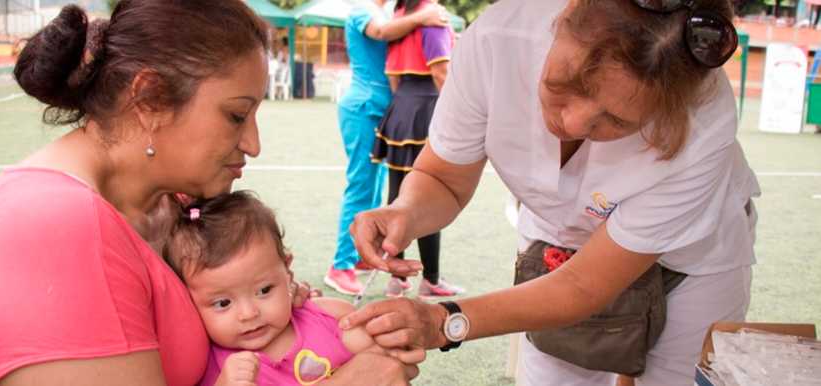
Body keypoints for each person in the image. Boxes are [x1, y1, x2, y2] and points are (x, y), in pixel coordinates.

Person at [0, 1, 419, 385]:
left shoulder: (170, 203)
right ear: (150, 98)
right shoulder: (60, 231)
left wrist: (271, 298)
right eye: (237, 115)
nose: (253, 143)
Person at [342, 0, 760, 385]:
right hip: (557, 250)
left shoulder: (704, 121)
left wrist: (443, 320)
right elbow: (444, 180)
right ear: (564, 19)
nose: (574, 123)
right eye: (568, 83)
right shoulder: (495, 43)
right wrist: (406, 211)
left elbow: (583, 286)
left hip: (691, 266)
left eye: (617, 119)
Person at [163, 191, 391, 385]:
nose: (249, 313)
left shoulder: (329, 319)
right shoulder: (205, 366)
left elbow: (388, 365)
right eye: (223, 303)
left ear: (287, 271)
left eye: (264, 290)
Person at [325, 0, 449, 295]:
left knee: (380, 189)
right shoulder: (363, 10)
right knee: (361, 187)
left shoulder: (392, 13)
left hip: (386, 110)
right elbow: (381, 32)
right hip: (364, 107)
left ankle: (359, 254)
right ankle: (340, 266)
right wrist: (424, 15)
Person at [370, 0, 463, 299]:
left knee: (397, 195)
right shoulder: (432, 14)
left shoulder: (399, 16)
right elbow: (441, 73)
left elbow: (393, 76)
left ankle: (396, 277)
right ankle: (431, 279)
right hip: (427, 105)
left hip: (401, 108)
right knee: (428, 195)